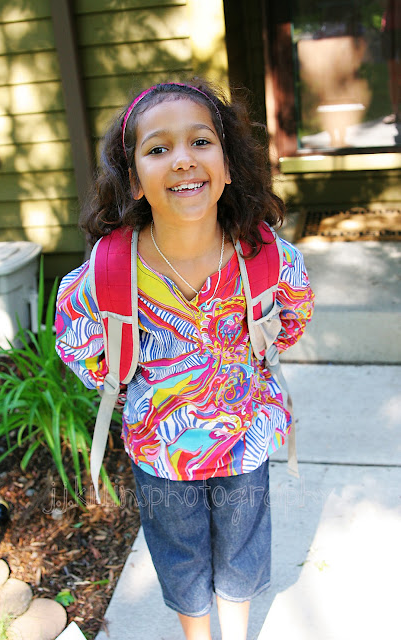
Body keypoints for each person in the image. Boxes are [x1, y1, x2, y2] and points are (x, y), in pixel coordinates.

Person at [55, 80, 314, 640]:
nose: (182, 159)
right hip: (161, 449)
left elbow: (292, 315)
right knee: (180, 557)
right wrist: (124, 377)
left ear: (227, 165)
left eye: (200, 141)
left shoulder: (264, 257)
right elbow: (77, 340)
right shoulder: (110, 274)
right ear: (133, 180)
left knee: (243, 552)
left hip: (245, 439)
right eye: (157, 148)